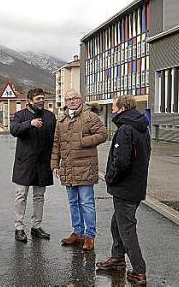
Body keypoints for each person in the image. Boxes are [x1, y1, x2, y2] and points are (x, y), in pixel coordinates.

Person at [96, 95, 151, 285]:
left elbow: (121, 162)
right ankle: (117, 259)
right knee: (116, 224)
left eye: (113, 107)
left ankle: (138, 270)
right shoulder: (141, 127)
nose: (112, 110)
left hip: (125, 188)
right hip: (135, 186)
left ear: (122, 108)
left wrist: (110, 177)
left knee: (126, 229)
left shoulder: (125, 130)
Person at [51, 90, 107, 251]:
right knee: (73, 203)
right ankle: (78, 232)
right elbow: (56, 144)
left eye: (75, 98)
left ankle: (90, 236)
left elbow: (103, 134)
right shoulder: (61, 119)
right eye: (69, 99)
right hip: (68, 168)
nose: (72, 101)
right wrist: (55, 164)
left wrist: (84, 141)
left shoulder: (90, 116)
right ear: (65, 102)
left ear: (80, 99)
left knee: (87, 203)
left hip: (85, 167)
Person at [10, 88, 56, 242]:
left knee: (39, 196)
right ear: (30, 101)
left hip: (43, 163)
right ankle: (19, 228)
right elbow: (14, 130)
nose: (41, 101)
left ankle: (36, 226)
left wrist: (56, 160)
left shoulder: (50, 116)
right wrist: (29, 123)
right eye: (38, 99)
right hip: (25, 162)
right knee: (21, 195)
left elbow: (56, 138)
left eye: (42, 98)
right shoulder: (20, 115)